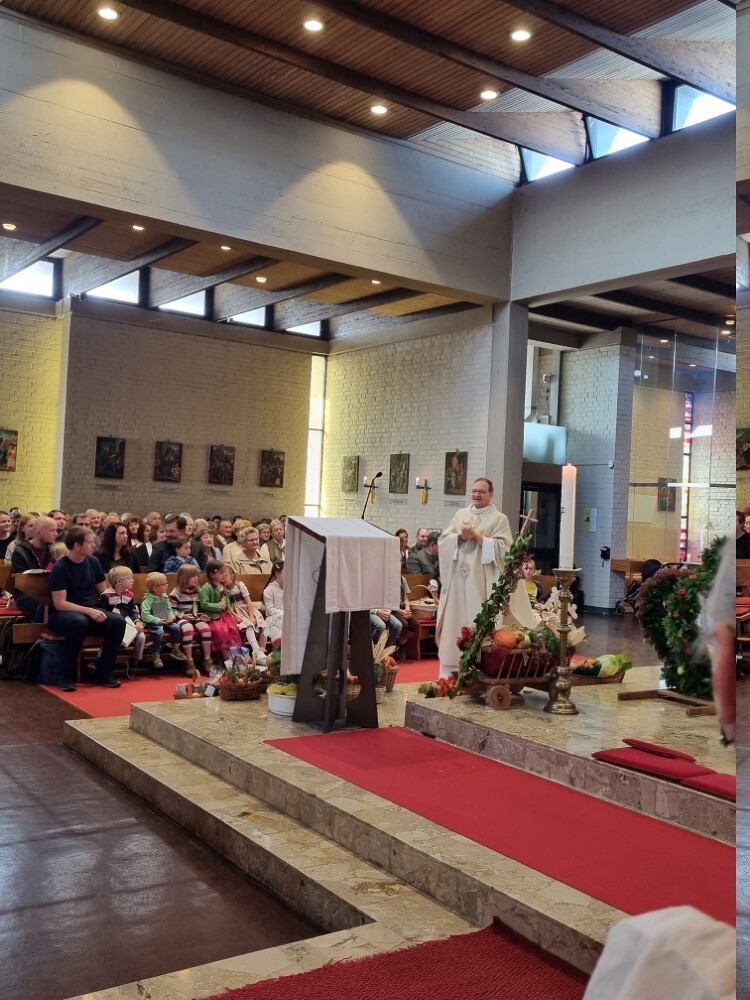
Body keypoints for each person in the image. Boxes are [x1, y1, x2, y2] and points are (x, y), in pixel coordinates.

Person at [436, 477, 536, 678]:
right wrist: (460, 537)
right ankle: (451, 673)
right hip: (458, 582)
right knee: (455, 622)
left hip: (482, 582)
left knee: (478, 619)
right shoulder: (460, 514)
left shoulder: (499, 519)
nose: (476, 494)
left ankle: (479, 670)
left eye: (481, 491)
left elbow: (505, 551)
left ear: (491, 494)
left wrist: (477, 537)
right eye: (474, 491)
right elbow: (444, 541)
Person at [47, 526, 126, 692]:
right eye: (89, 542)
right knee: (79, 622)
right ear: (77, 545)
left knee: (118, 621)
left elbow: (103, 591)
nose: (93, 545)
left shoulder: (93, 561)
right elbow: (60, 603)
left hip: (86, 613)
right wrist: (90, 611)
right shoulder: (61, 568)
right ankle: (66, 676)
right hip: (62, 615)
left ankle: (103, 672)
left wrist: (119, 603)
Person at [98, 566, 146, 679]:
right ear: (119, 582)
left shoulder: (129, 595)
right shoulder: (106, 595)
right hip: (114, 624)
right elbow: (105, 613)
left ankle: (134, 661)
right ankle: (98, 661)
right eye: (129, 578)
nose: (132, 580)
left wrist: (137, 621)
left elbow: (133, 611)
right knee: (112, 637)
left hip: (128, 621)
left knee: (141, 637)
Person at [169, 564, 214, 678]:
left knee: (206, 629)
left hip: (195, 616)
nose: (196, 578)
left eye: (196, 576)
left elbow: (200, 608)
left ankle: (207, 659)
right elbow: (172, 610)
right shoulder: (176, 592)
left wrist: (202, 615)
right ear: (184, 578)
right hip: (182, 617)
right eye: (193, 576)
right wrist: (183, 616)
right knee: (188, 629)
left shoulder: (198, 591)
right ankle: (189, 660)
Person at [11, 515, 59, 620]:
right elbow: (23, 582)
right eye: (52, 530)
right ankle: (40, 629)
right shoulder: (20, 552)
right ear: (39, 532)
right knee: (45, 604)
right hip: (27, 594)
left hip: (49, 591)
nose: (56, 534)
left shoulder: (54, 550)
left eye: (56, 530)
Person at [140, 571, 186, 670]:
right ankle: (155, 654)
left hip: (165, 619)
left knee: (176, 627)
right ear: (155, 588)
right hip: (153, 622)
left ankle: (175, 648)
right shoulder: (148, 599)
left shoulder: (164, 596)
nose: (167, 585)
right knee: (159, 632)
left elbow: (169, 609)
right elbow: (145, 616)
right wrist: (158, 620)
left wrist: (171, 617)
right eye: (164, 584)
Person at [223, 565, 268, 665]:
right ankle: (256, 651)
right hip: (235, 613)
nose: (223, 578)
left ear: (232, 576)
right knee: (248, 626)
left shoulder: (240, 585)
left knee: (263, 625)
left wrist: (251, 616)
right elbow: (228, 607)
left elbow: (248, 601)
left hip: (246, 610)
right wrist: (236, 616)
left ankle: (261, 652)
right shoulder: (224, 590)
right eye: (222, 576)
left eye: (225, 576)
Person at [199, 561, 242, 664]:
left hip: (224, 615)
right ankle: (226, 659)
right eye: (221, 573)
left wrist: (235, 615)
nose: (224, 575)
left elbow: (228, 605)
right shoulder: (206, 588)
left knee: (233, 629)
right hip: (213, 616)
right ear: (212, 574)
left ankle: (236, 658)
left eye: (224, 572)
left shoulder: (223, 587)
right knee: (221, 631)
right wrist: (218, 606)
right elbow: (204, 604)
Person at [261, 561, 285, 646]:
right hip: (275, 618)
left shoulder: (292, 588)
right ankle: (278, 642)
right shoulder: (269, 590)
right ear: (277, 573)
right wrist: (284, 614)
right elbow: (270, 610)